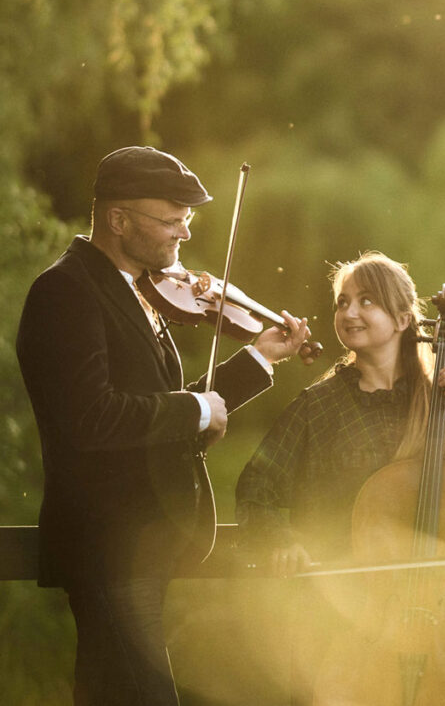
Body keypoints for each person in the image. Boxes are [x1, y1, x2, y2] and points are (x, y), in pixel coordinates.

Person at [16, 145, 311, 706]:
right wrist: (196, 411)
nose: (184, 235)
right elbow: (92, 417)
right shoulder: (66, 292)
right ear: (118, 220)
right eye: (171, 220)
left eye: (188, 221)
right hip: (107, 547)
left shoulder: (135, 289)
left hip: (139, 550)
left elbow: (157, 415)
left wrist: (259, 359)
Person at [235, 250, 445, 698]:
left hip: (444, 625)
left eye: (366, 301)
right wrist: (282, 541)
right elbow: (255, 488)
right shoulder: (318, 407)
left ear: (401, 319)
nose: (349, 312)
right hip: (348, 616)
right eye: (343, 302)